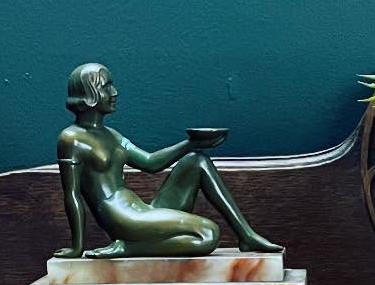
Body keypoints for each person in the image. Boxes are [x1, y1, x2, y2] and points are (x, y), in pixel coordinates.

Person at [56, 62, 280, 257]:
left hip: (143, 209)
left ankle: (246, 235)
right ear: (90, 94)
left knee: (197, 161)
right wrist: (77, 247)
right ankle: (128, 247)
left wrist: (191, 144)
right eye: (106, 87)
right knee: (208, 234)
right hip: (121, 218)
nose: (114, 92)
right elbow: (72, 195)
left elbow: (150, 162)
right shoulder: (71, 139)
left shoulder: (112, 135)